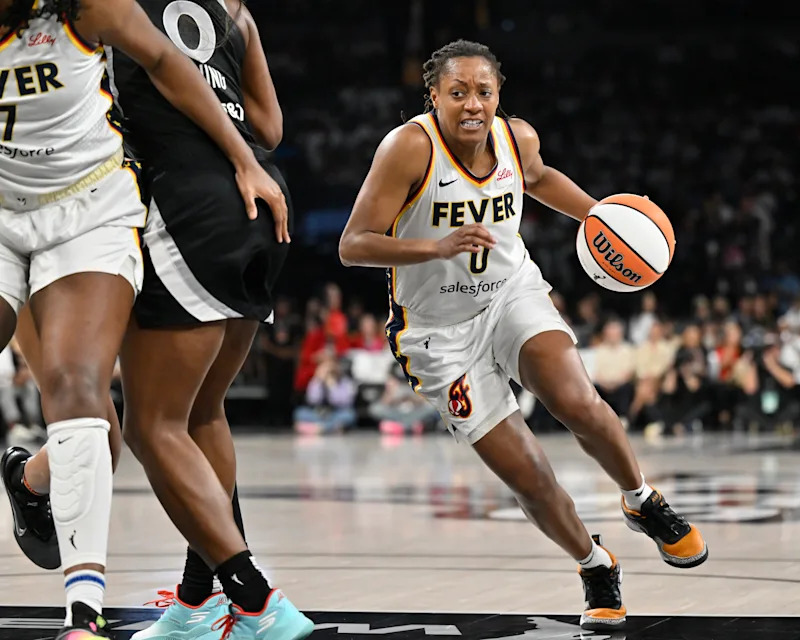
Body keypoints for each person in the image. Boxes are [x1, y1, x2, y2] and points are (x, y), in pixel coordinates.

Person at [339, 39, 707, 631]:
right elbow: (353, 244)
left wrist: (598, 214)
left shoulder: (518, 138)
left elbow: (535, 178)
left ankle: (643, 500)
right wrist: (432, 247)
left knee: (577, 401)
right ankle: (594, 564)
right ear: (433, 95)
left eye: (483, 91)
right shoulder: (407, 149)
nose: (471, 104)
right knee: (528, 473)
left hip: (511, 293)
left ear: (498, 94)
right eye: (457, 92)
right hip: (437, 335)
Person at [0, 0, 303, 638]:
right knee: (196, 415)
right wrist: (238, 151)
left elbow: (151, 70)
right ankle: (200, 600)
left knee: (140, 421)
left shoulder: (110, 9)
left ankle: (246, 602)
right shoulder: (235, 14)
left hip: (172, 206)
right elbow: (269, 128)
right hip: (257, 205)